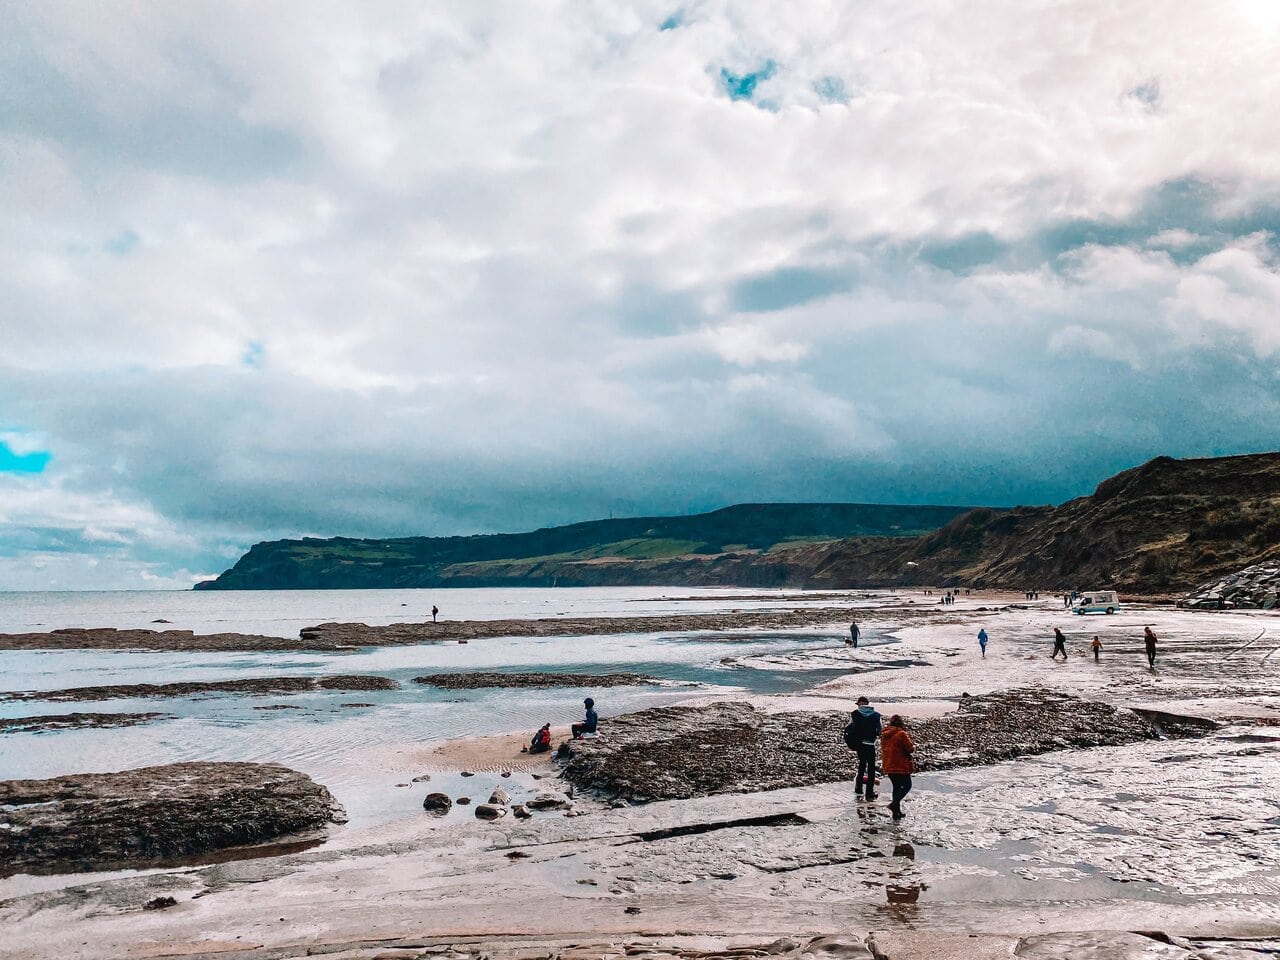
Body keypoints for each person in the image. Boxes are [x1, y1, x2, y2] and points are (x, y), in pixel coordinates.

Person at [843, 696, 881, 801]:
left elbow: (849, 728)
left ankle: (858, 789)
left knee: (861, 765)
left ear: (860, 704)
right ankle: (869, 792)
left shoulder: (854, 714)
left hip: (860, 744)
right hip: (870, 744)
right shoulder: (876, 715)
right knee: (872, 768)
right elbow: (879, 731)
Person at [881, 715, 915, 819]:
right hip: (901, 765)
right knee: (907, 785)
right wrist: (914, 746)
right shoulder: (901, 734)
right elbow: (910, 749)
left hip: (888, 764)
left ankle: (896, 812)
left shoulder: (884, 734)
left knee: (896, 787)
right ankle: (894, 804)